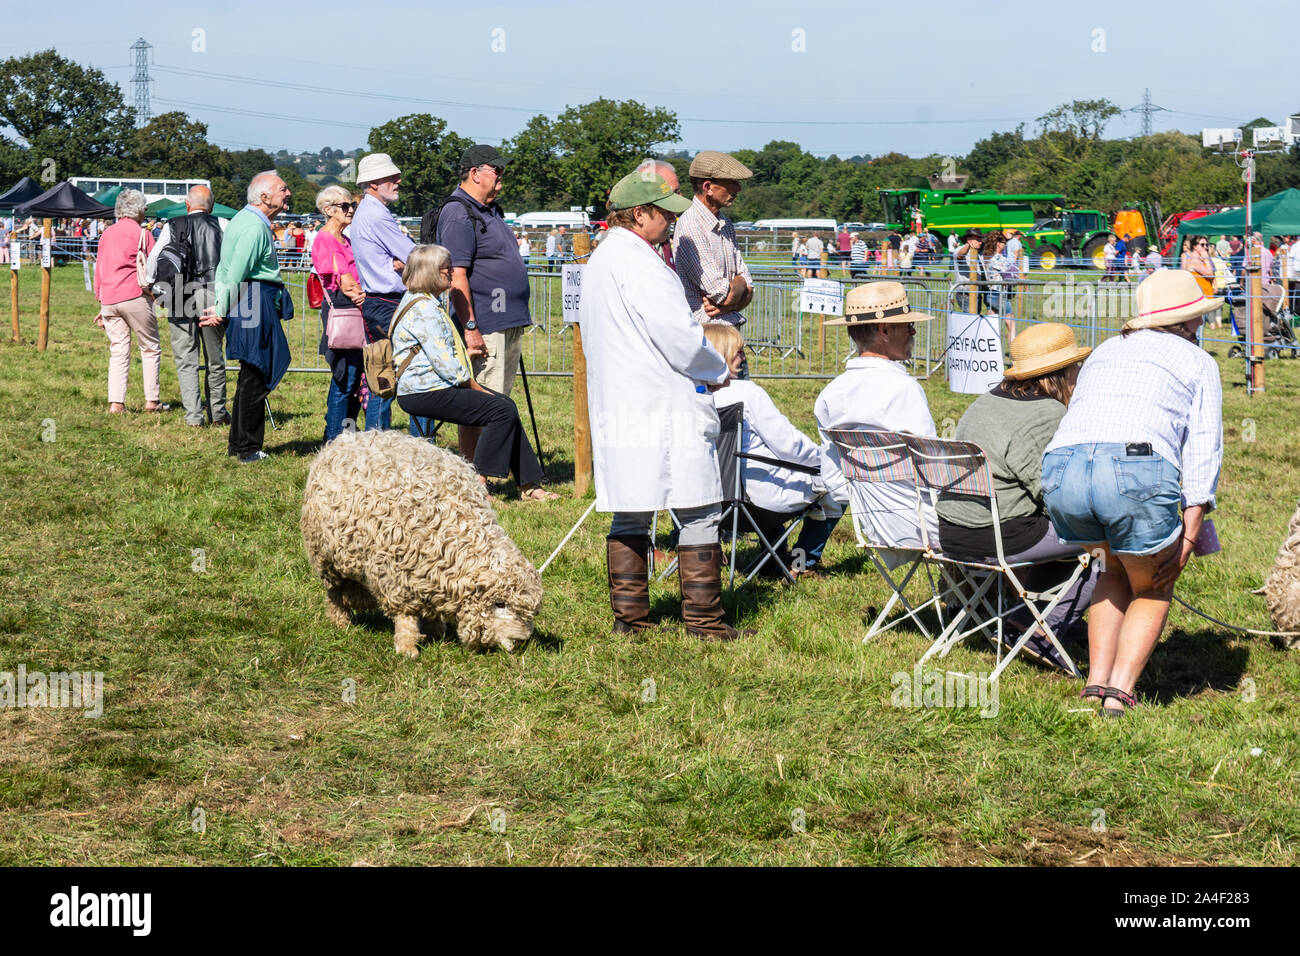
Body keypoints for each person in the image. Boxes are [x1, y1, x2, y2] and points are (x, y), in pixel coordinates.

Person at [1042, 269, 1223, 716]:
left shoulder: (1106, 350)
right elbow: (1203, 447)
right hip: (1133, 471)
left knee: (1110, 571)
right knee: (1153, 583)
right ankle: (1120, 693)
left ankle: (1095, 683)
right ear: (1184, 322)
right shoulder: (1198, 361)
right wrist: (1189, 534)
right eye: (1197, 318)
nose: (1200, 325)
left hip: (1063, 470)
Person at [581, 170, 748, 642]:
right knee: (699, 509)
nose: (671, 224)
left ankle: (630, 620)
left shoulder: (605, 258)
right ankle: (706, 622)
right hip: (663, 402)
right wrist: (717, 369)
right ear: (639, 214)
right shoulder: (643, 265)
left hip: (623, 401)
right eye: (664, 214)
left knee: (632, 507)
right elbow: (680, 337)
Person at [936, 323, 1097, 671]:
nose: (1079, 374)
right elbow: (1052, 491)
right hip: (998, 535)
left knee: (1063, 534)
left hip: (952, 529)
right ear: (1060, 373)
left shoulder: (986, 400)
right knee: (1104, 541)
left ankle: (1032, 617)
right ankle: (1039, 628)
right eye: (1075, 367)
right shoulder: (1046, 412)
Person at [391, 245, 555, 501]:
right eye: (446, 269)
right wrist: (476, 387)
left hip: (427, 387)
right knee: (499, 409)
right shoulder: (425, 310)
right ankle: (476, 485)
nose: (451, 274)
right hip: (425, 391)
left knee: (505, 405)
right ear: (431, 273)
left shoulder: (418, 301)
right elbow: (446, 365)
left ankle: (529, 484)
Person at [704, 323, 841, 576]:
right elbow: (790, 446)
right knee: (837, 484)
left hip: (708, 503)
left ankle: (774, 555)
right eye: (738, 352)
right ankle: (802, 562)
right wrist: (827, 459)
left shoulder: (692, 396)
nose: (744, 358)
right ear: (720, 354)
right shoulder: (747, 393)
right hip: (755, 504)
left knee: (768, 470)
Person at [817, 281, 938, 564]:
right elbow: (934, 472)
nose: (913, 330)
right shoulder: (904, 389)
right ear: (884, 330)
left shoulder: (830, 394)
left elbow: (834, 483)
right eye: (906, 324)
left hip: (874, 527)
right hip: (925, 525)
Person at [434, 144, 533, 463]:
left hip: (506, 320)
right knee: (482, 403)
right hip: (485, 323)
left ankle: (487, 469)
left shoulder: (490, 209)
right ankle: (475, 474)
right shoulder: (458, 211)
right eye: (497, 169)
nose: (502, 175)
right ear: (475, 174)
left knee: (497, 400)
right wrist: (471, 327)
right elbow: (457, 275)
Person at [203, 171, 294, 464]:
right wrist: (219, 308)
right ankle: (248, 448)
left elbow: (224, 269)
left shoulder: (243, 220)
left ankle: (240, 443)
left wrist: (222, 304)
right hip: (253, 301)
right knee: (258, 373)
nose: (288, 192)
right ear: (265, 197)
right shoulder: (254, 228)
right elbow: (237, 272)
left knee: (250, 374)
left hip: (247, 301)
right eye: (283, 189)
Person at [144, 185, 229, 427]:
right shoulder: (223, 224)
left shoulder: (173, 224)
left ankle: (194, 417)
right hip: (213, 293)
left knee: (186, 359)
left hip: (179, 293)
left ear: (187, 204)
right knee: (215, 358)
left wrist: (152, 286)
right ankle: (218, 412)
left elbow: (154, 258)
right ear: (211, 205)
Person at [672, 150, 755, 378]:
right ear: (708, 187)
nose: (737, 189)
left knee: (739, 407)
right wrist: (738, 289)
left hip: (730, 339)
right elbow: (719, 292)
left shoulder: (725, 224)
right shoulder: (691, 226)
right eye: (731, 183)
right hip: (709, 342)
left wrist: (734, 297)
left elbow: (748, 286)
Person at [349, 152, 415, 432]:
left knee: (382, 374)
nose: (398, 181)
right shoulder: (376, 214)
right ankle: (421, 443)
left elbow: (406, 256)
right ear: (374, 183)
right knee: (414, 372)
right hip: (389, 302)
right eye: (391, 177)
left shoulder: (369, 211)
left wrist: (402, 261)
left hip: (380, 302)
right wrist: (404, 260)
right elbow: (413, 254)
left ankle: (376, 441)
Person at [93, 189, 166, 415]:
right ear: (137, 210)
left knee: (118, 351)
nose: (145, 212)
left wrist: (101, 300)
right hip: (135, 295)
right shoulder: (144, 235)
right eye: (144, 208)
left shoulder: (106, 234)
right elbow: (153, 269)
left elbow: (100, 269)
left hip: (109, 298)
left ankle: (116, 403)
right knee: (150, 347)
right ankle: (152, 401)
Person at [312, 185, 367, 442]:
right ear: (328, 210)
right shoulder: (326, 239)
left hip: (354, 312)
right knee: (345, 379)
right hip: (345, 312)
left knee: (353, 379)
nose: (350, 210)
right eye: (345, 206)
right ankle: (334, 440)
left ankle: (344, 432)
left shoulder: (345, 239)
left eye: (351, 205)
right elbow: (346, 283)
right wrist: (369, 301)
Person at [1182, 234, 1218, 327]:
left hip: (1202, 299)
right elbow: (1210, 274)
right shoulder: (1195, 260)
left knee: (1198, 329)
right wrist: (1206, 258)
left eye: (1206, 245)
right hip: (1197, 300)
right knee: (1197, 330)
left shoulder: (1199, 259)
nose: (1205, 247)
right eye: (1202, 245)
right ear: (1194, 246)